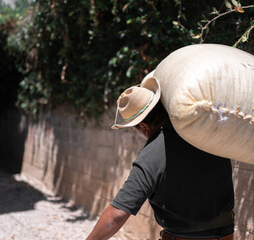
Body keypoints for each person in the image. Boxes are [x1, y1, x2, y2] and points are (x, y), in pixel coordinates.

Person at [87, 77, 235, 240]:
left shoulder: (152, 154)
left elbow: (118, 214)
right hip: (227, 235)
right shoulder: (206, 133)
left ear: (143, 126)